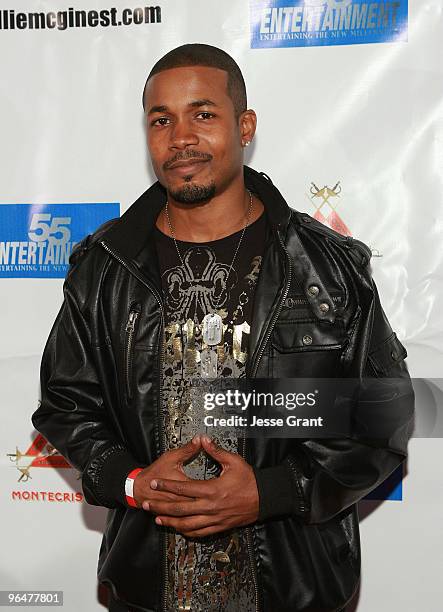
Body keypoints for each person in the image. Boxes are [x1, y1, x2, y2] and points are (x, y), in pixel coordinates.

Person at [31, 43, 414, 612]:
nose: (180, 137)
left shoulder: (323, 266)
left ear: (245, 125)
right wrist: (134, 481)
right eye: (161, 120)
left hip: (293, 586)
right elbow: (65, 405)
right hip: (148, 588)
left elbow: (384, 414)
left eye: (202, 114)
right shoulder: (106, 266)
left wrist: (270, 491)